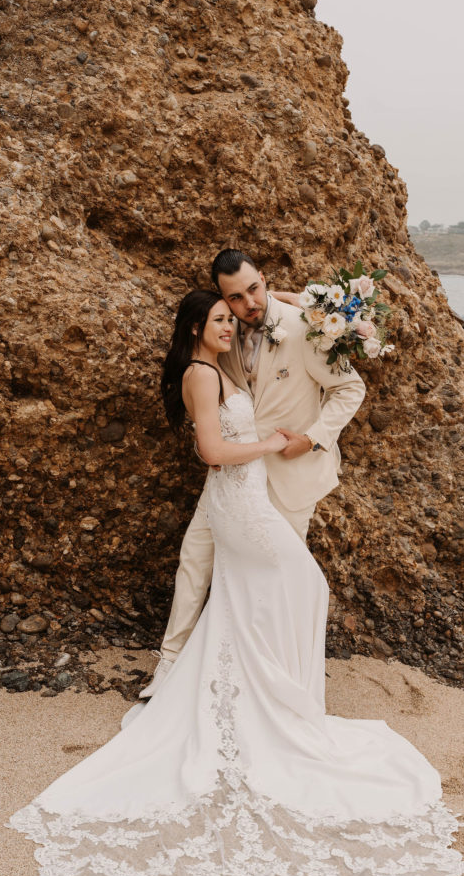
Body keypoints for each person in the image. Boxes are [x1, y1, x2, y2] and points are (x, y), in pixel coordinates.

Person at [9, 289, 464, 876]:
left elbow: (269, 323)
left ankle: (267, 696)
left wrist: (296, 300)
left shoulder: (227, 369)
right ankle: (276, 704)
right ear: (197, 327)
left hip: (249, 499)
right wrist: (274, 444)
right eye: (220, 319)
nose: (230, 326)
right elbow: (212, 450)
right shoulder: (200, 375)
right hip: (238, 500)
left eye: (231, 318)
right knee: (304, 584)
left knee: (255, 602)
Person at [140, 249, 366, 699]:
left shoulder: (307, 328)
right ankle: (168, 665)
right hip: (232, 471)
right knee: (194, 558)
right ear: (223, 301)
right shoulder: (221, 334)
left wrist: (313, 437)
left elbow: (350, 387)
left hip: (289, 471)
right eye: (235, 298)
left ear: (264, 279)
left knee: (278, 576)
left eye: (255, 290)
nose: (249, 304)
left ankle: (273, 673)